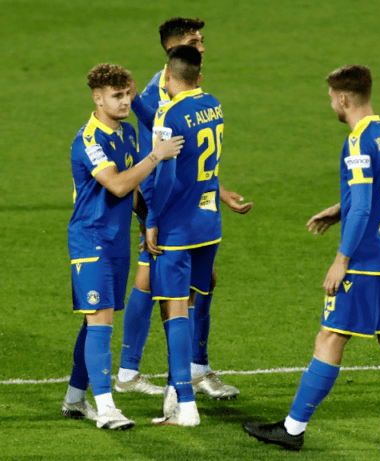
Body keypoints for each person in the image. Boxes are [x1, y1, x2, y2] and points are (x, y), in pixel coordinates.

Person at [242, 65, 380, 456]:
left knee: (329, 337)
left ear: (343, 98)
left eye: (330, 98)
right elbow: (378, 194)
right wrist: (339, 209)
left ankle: (293, 428)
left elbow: (363, 206)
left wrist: (341, 259)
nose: (330, 104)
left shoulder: (358, 142)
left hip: (363, 261)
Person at [116, 17, 249, 400]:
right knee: (163, 284)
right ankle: (176, 376)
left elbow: (189, 149)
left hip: (186, 197)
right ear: (172, 47)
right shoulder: (161, 92)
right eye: (195, 41)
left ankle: (179, 370)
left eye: (202, 40)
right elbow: (161, 157)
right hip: (160, 198)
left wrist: (217, 188)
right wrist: (151, 215)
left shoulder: (186, 87)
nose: (202, 47)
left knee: (190, 282)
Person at [62, 63, 183, 429]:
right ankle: (106, 409)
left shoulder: (127, 133)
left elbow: (131, 191)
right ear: (97, 99)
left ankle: (74, 399)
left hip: (117, 242)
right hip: (91, 241)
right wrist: (156, 155)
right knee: (101, 323)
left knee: (93, 324)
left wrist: (147, 220)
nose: (126, 101)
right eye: (116, 96)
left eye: (128, 94)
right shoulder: (89, 141)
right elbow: (117, 184)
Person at [143, 45, 225, 426]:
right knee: (189, 305)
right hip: (209, 223)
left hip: (177, 226)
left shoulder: (168, 114)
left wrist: (152, 218)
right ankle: (175, 391)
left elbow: (167, 175)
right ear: (199, 77)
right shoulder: (214, 105)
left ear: (167, 76)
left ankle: (186, 406)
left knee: (173, 310)